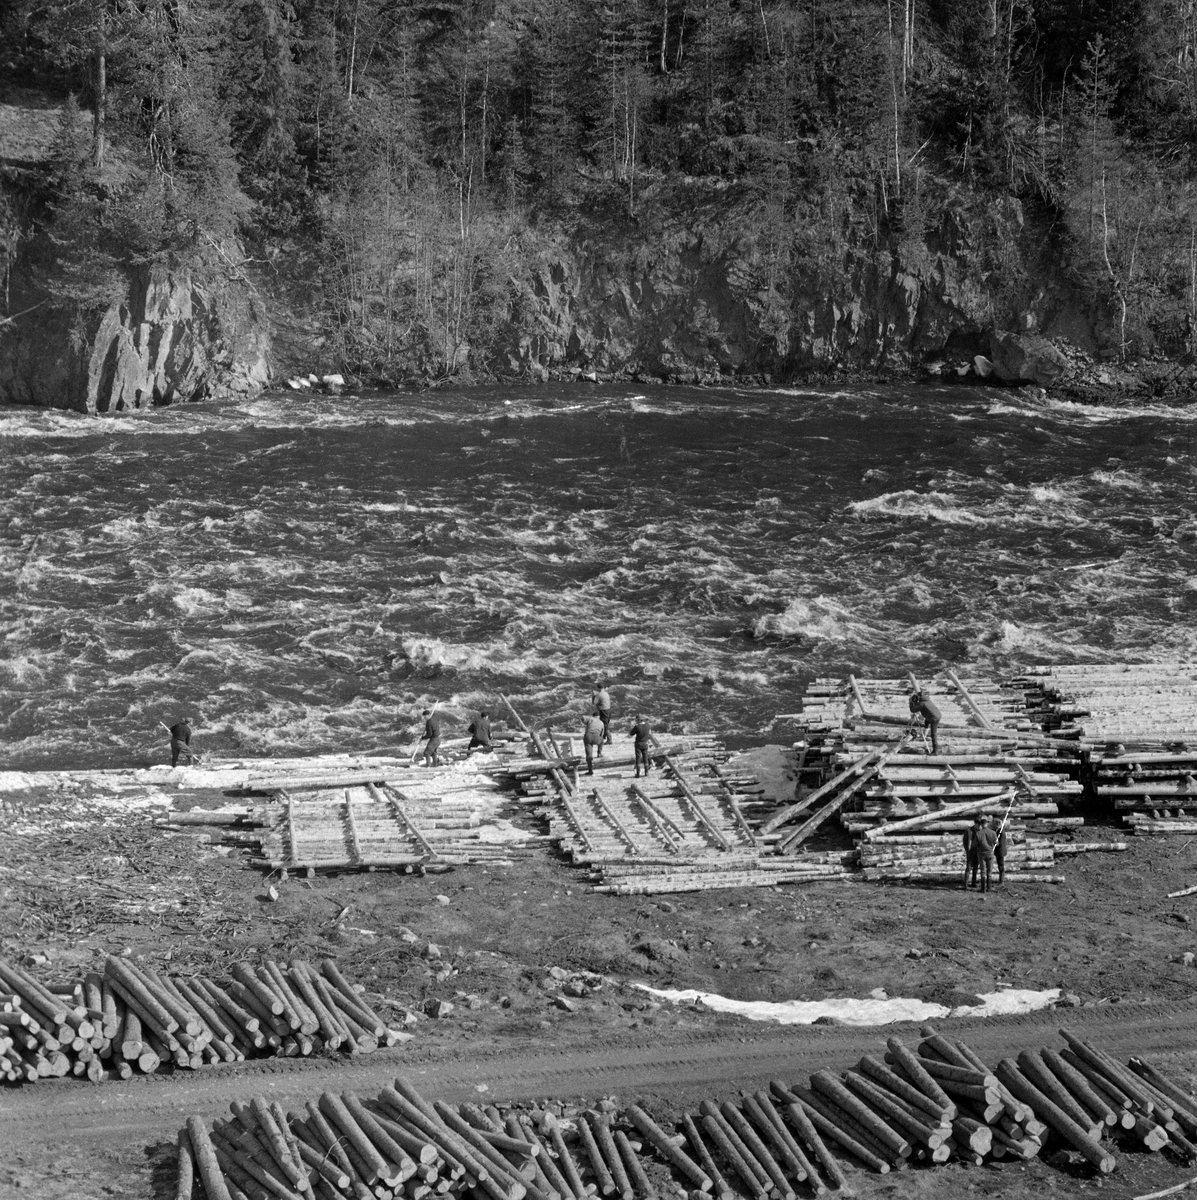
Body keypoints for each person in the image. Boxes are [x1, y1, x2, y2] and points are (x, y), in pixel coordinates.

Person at [908, 689, 942, 754]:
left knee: (933, 734)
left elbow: (913, 710)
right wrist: (914, 702)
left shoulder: (922, 704)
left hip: (933, 718)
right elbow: (919, 705)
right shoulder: (927, 700)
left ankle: (935, 750)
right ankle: (925, 734)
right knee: (926, 722)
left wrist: (910, 702)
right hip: (937, 715)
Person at [972, 815, 998, 893]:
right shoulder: (993, 833)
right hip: (990, 853)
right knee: (989, 871)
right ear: (987, 823)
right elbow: (997, 843)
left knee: (983, 871)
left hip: (981, 854)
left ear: (981, 824)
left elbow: (974, 845)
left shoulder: (978, 833)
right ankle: (989, 887)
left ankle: (983, 889)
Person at [962, 816, 982, 890]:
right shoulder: (969, 830)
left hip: (977, 852)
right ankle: (965, 884)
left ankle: (973, 883)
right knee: (968, 868)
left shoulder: (980, 831)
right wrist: (967, 849)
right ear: (975, 823)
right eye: (978, 824)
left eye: (980, 825)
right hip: (970, 852)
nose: (979, 826)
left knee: (976, 868)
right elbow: (964, 841)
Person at [591, 681, 612, 745]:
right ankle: (604, 737)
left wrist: (593, 696)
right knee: (606, 724)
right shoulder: (606, 693)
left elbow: (594, 703)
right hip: (608, 709)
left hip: (603, 710)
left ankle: (609, 739)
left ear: (598, 688)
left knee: (604, 725)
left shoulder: (599, 695)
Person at [992, 816, 1009, 887]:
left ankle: (1001, 882)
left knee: (1001, 867)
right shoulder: (1001, 830)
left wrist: (994, 842)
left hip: (1000, 851)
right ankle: (1001, 881)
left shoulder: (1000, 831)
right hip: (1001, 851)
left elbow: (999, 843)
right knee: (1000, 866)